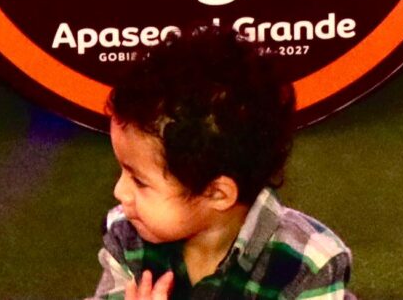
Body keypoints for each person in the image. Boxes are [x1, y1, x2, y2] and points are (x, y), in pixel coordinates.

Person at [94, 26, 355, 300]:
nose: (119, 192)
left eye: (139, 181)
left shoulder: (307, 265)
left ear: (216, 193)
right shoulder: (126, 236)